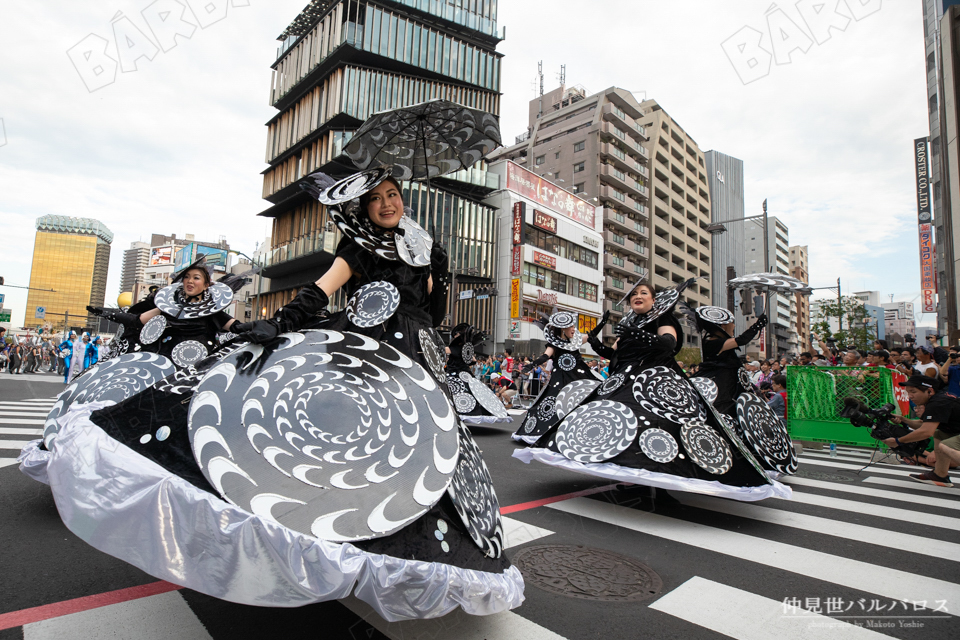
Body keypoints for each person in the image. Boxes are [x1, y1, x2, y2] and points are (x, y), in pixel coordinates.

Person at [24, 168, 521, 619]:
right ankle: (314, 536)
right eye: (378, 199)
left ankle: (393, 548)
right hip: (364, 357)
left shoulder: (422, 248)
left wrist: (438, 274)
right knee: (340, 443)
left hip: (415, 361)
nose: (389, 203)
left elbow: (432, 312)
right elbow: (319, 292)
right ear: (363, 209)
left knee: (419, 459)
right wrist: (279, 323)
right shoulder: (358, 248)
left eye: (394, 195)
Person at [515, 282, 789, 501]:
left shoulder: (662, 318)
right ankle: (635, 479)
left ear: (654, 300)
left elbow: (668, 344)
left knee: (658, 432)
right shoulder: (630, 324)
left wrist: (639, 334)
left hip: (657, 385)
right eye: (634, 293)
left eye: (643, 293)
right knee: (625, 429)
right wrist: (599, 336)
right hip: (625, 382)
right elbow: (611, 354)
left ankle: (656, 485)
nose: (637, 296)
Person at [88, 257, 241, 369]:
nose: (190, 281)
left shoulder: (212, 312)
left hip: (194, 371)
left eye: (196, 278)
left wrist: (261, 328)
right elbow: (136, 321)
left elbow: (238, 328)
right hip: (163, 366)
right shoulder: (169, 307)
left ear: (206, 284)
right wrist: (108, 313)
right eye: (186, 277)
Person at [511, 311, 602, 444]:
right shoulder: (553, 344)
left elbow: (590, 336)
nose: (574, 329)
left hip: (579, 377)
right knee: (553, 404)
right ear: (563, 329)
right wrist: (530, 366)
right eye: (571, 327)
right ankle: (550, 433)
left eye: (574, 326)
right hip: (560, 379)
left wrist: (603, 323)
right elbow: (545, 357)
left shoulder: (575, 341)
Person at [883, 375, 960, 487]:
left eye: (913, 392)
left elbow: (926, 432)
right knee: (940, 434)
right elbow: (922, 425)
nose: (910, 396)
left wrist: (898, 441)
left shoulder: (937, 403)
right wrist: (903, 420)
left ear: (930, 391)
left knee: (946, 445)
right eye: (908, 392)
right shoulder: (937, 400)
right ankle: (940, 475)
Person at [444, 323, 510, 424]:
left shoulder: (456, 348)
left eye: (456, 335)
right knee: (471, 394)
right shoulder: (465, 348)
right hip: (466, 373)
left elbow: (442, 349)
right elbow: (473, 360)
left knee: (454, 392)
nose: (455, 337)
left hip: (454, 373)